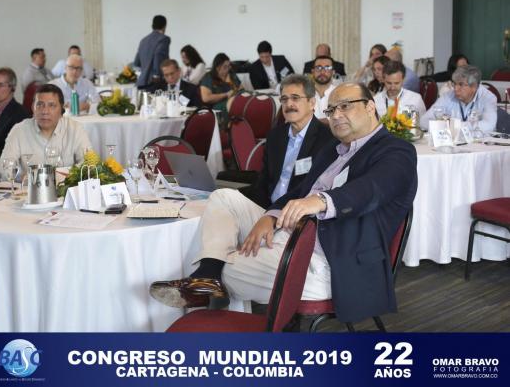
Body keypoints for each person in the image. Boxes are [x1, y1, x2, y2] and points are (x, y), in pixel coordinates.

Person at [150, 82, 418, 325]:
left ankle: (210, 282)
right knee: (224, 198)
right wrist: (271, 216)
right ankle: (208, 276)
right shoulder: (333, 151)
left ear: (370, 107)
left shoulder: (396, 150)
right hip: (293, 233)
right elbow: (298, 190)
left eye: (345, 106)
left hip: (331, 262)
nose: (336, 115)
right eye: (331, 109)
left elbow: (371, 190)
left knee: (228, 267)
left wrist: (319, 201)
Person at [239, 74, 334, 209]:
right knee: (221, 196)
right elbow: (264, 180)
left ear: (311, 103)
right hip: (265, 207)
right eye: (284, 99)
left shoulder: (327, 139)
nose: (289, 104)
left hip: (296, 213)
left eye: (295, 98)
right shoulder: (275, 136)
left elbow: (318, 189)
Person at [0, 84, 92, 181]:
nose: (45, 111)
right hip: (29, 188)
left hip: (67, 188)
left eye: (52, 105)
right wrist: (23, 177)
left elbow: (89, 164)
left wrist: (60, 175)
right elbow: (2, 169)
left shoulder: (75, 129)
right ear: (32, 108)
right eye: (40, 105)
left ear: (61, 109)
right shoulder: (19, 130)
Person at [420, 65, 497, 132]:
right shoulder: (448, 96)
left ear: (474, 86)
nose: (456, 89)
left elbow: (489, 125)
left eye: (461, 84)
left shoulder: (488, 98)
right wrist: (450, 126)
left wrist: (453, 125)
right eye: (454, 83)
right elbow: (423, 121)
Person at [0, 67, 30, 173]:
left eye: (0, 85)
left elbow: (16, 150)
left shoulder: (19, 114)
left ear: (12, 88)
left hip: (2, 169)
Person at [199, 53, 243, 124]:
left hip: (234, 102)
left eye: (229, 66)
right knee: (233, 104)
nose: (227, 69)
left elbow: (241, 90)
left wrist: (231, 84)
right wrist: (225, 95)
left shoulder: (231, 75)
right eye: (225, 67)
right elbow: (206, 98)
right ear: (217, 67)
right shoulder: (208, 77)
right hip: (217, 106)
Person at [134, 15, 170, 88]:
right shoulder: (164, 39)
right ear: (164, 26)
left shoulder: (143, 40)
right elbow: (158, 56)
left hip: (141, 82)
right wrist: (157, 75)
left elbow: (136, 62)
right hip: (155, 82)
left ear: (152, 25)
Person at [310, 56, 337, 120]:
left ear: (333, 72)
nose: (322, 72)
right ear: (312, 71)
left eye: (327, 67)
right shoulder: (304, 93)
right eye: (318, 68)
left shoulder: (339, 93)